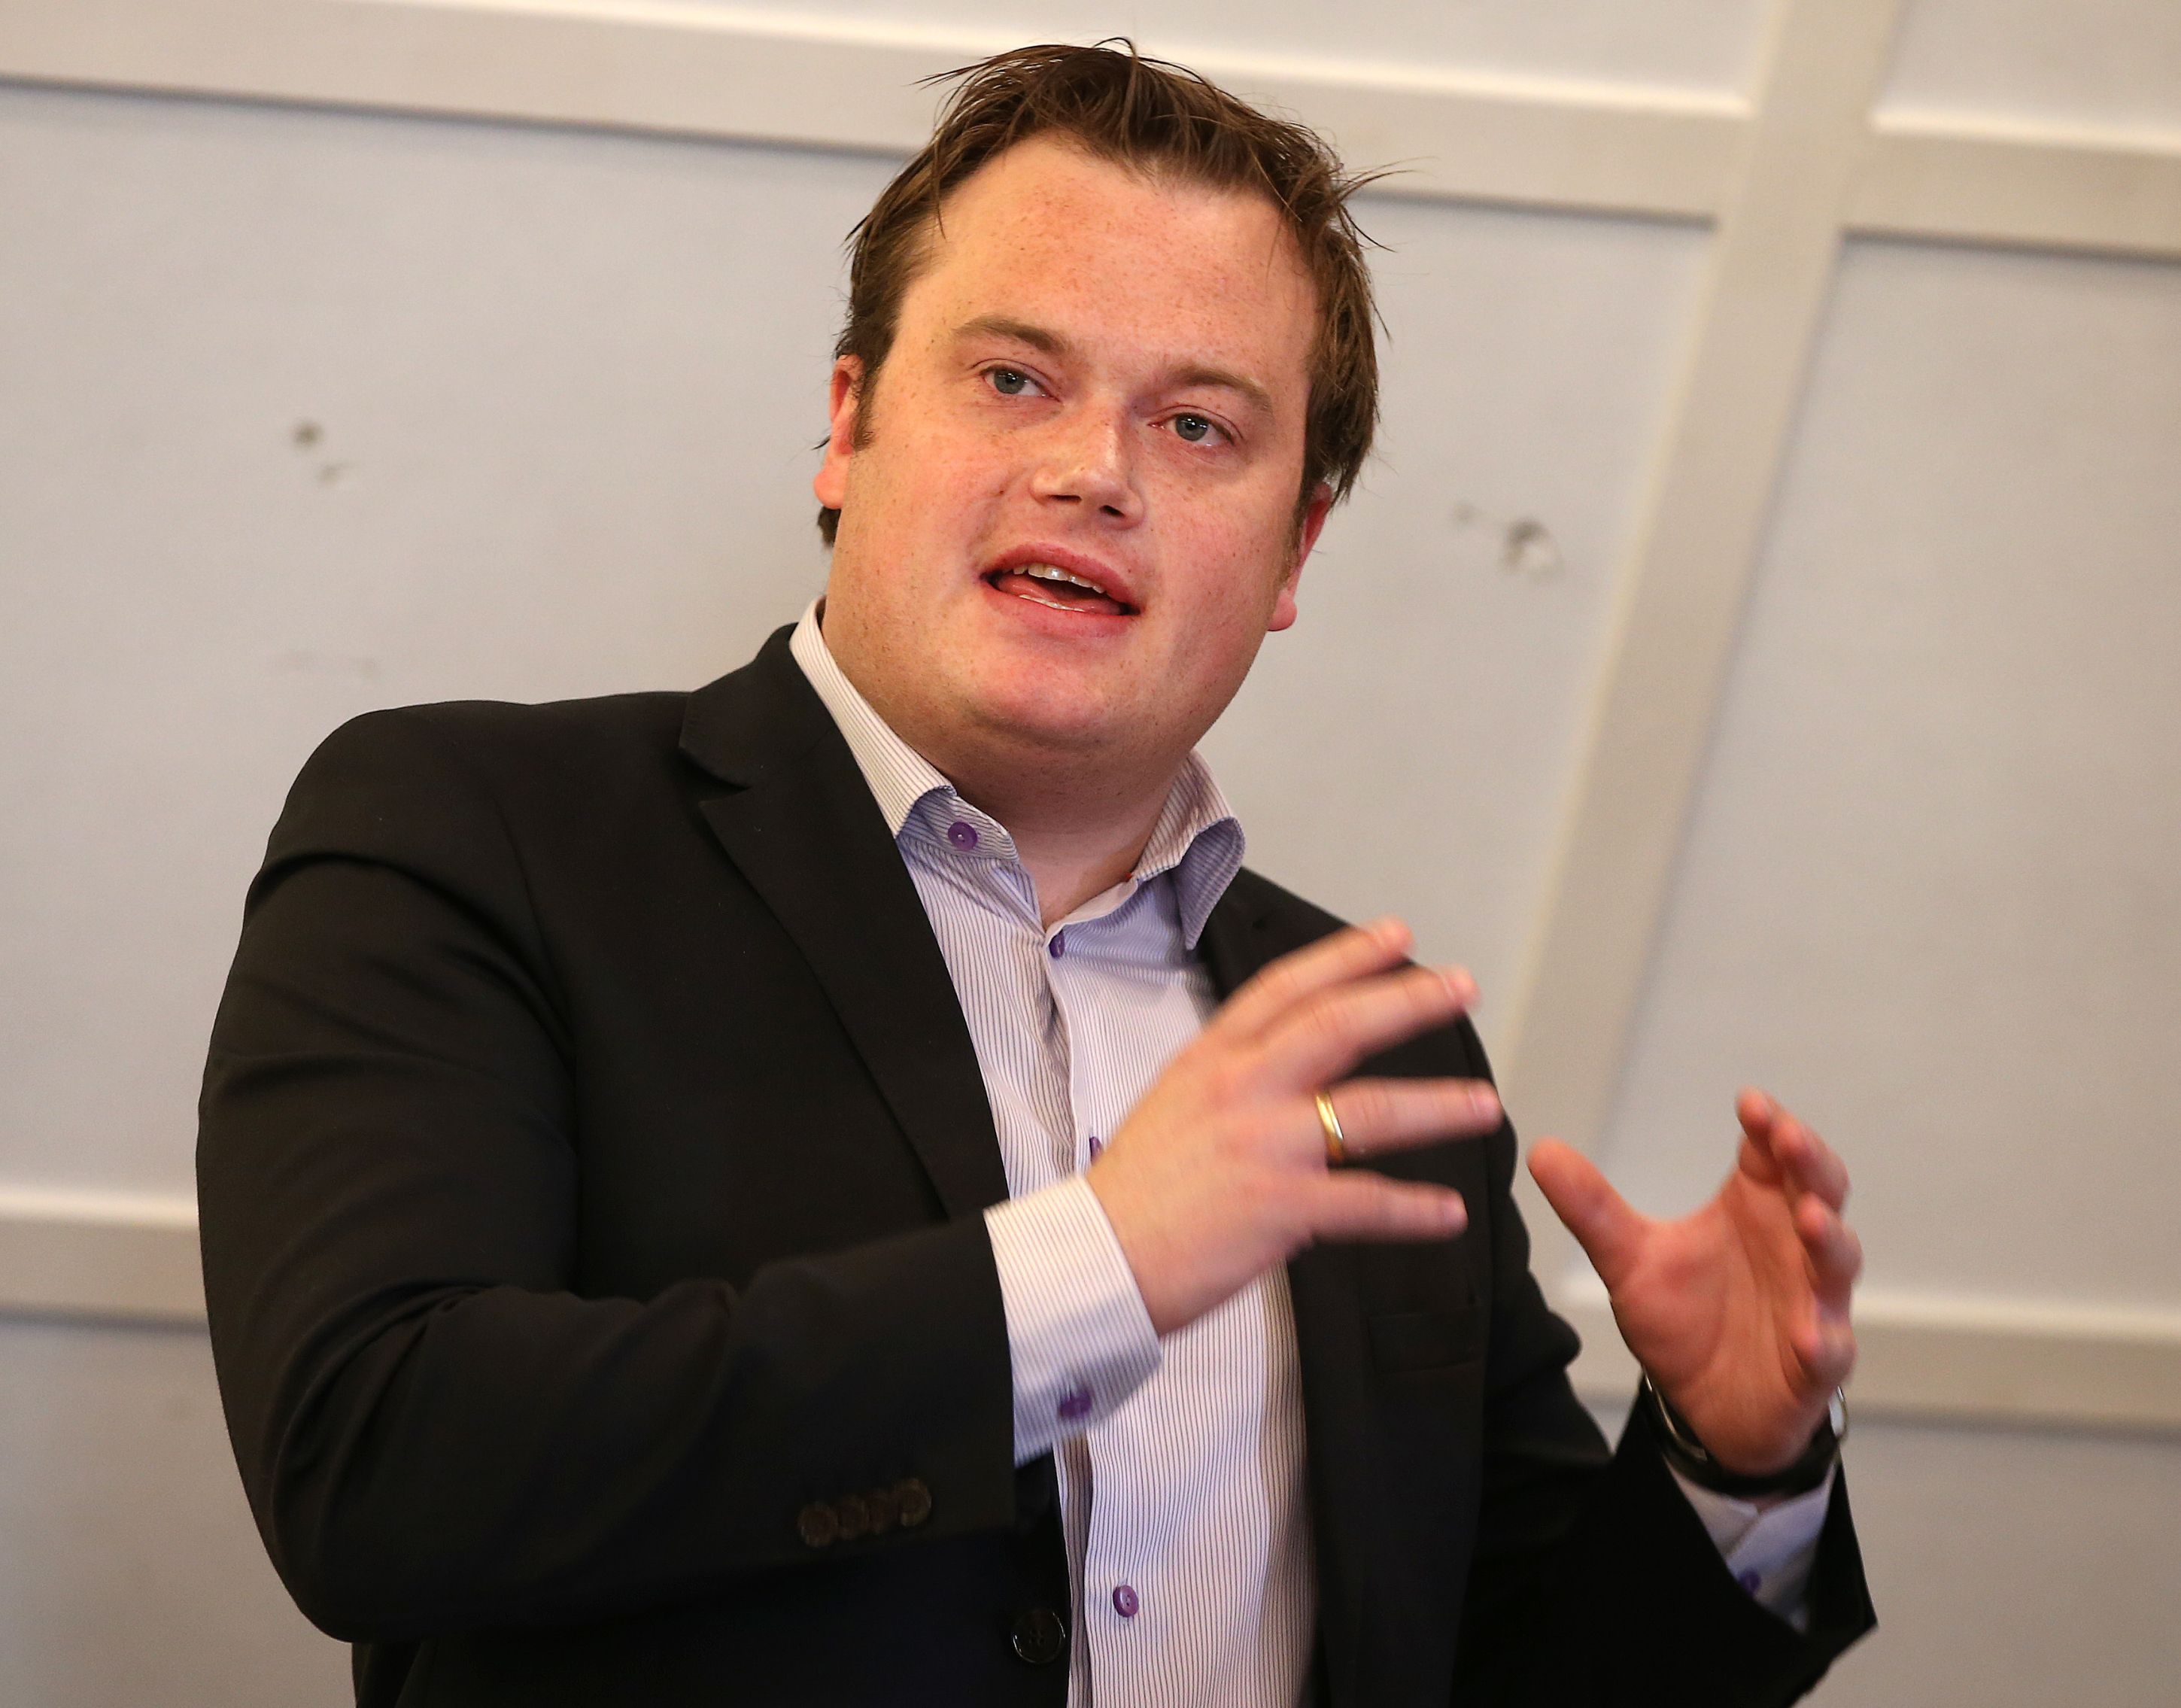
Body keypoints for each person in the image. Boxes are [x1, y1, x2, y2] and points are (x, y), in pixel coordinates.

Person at [198, 42, 1873, 1708]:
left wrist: (1731, 1468)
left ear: (1294, 549)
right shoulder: (478, 831)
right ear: (848, 425)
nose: (1094, 472)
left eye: (1198, 423)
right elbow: (378, 1462)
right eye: (1013, 379)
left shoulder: (1371, 1045)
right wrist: (1096, 1267)